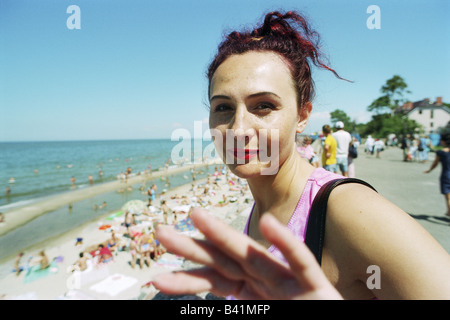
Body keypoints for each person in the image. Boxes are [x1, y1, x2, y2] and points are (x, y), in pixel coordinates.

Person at [153, 10, 450, 299]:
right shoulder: (261, 205)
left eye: (263, 105)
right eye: (223, 107)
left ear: (303, 115)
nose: (238, 128)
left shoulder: (348, 211)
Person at [425, 132, 450, 217]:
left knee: (448, 197)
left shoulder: (441, 152)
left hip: (446, 176)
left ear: (443, 141)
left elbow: (435, 163)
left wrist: (429, 170)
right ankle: (448, 211)